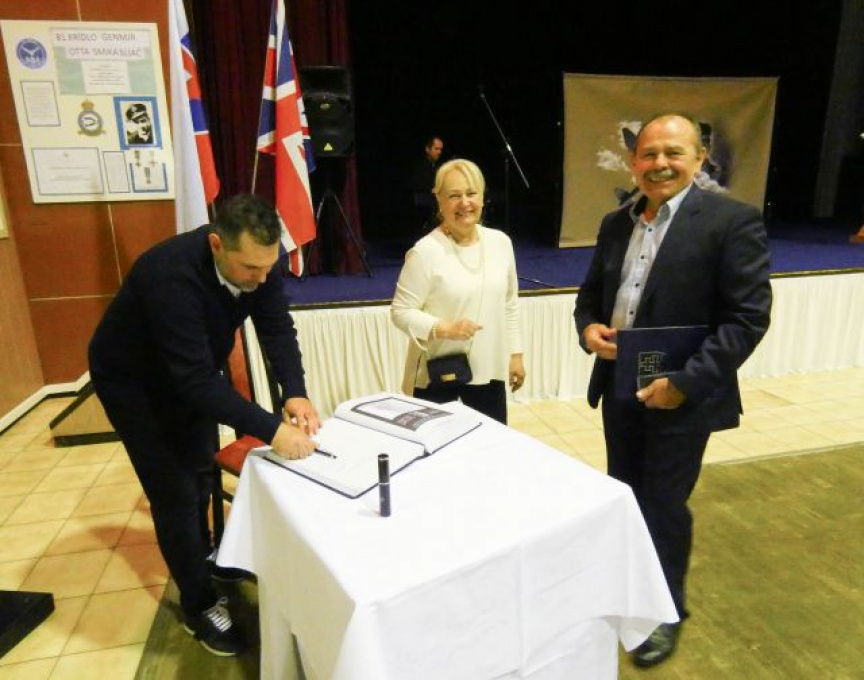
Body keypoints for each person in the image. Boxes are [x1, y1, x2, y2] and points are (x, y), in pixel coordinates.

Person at [574, 113, 772, 667]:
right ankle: (627, 586)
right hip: (620, 388)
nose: (659, 163)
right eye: (649, 153)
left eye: (673, 153)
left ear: (699, 158)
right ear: (633, 161)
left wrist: (684, 384)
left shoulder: (732, 222)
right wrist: (589, 329)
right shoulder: (616, 222)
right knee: (625, 494)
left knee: (663, 504)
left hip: (682, 397)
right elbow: (589, 297)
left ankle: (664, 611)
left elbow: (746, 320)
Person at [88, 194, 320, 657]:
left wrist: (294, 390)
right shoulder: (167, 275)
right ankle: (198, 603)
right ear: (217, 244)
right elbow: (193, 382)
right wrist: (273, 430)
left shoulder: (259, 261)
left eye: (267, 268)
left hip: (191, 373)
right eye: (250, 268)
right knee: (174, 490)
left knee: (199, 469)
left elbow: (276, 327)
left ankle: (206, 554)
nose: (261, 279)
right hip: (133, 382)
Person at [391, 158, 525, 424]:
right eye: (454, 196)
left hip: (488, 372)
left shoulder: (500, 243)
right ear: (439, 200)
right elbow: (400, 312)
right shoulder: (425, 252)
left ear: (483, 197)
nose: (465, 203)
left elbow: (509, 304)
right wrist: (444, 328)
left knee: (490, 445)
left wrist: (516, 354)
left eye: (471, 193)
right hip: (437, 375)